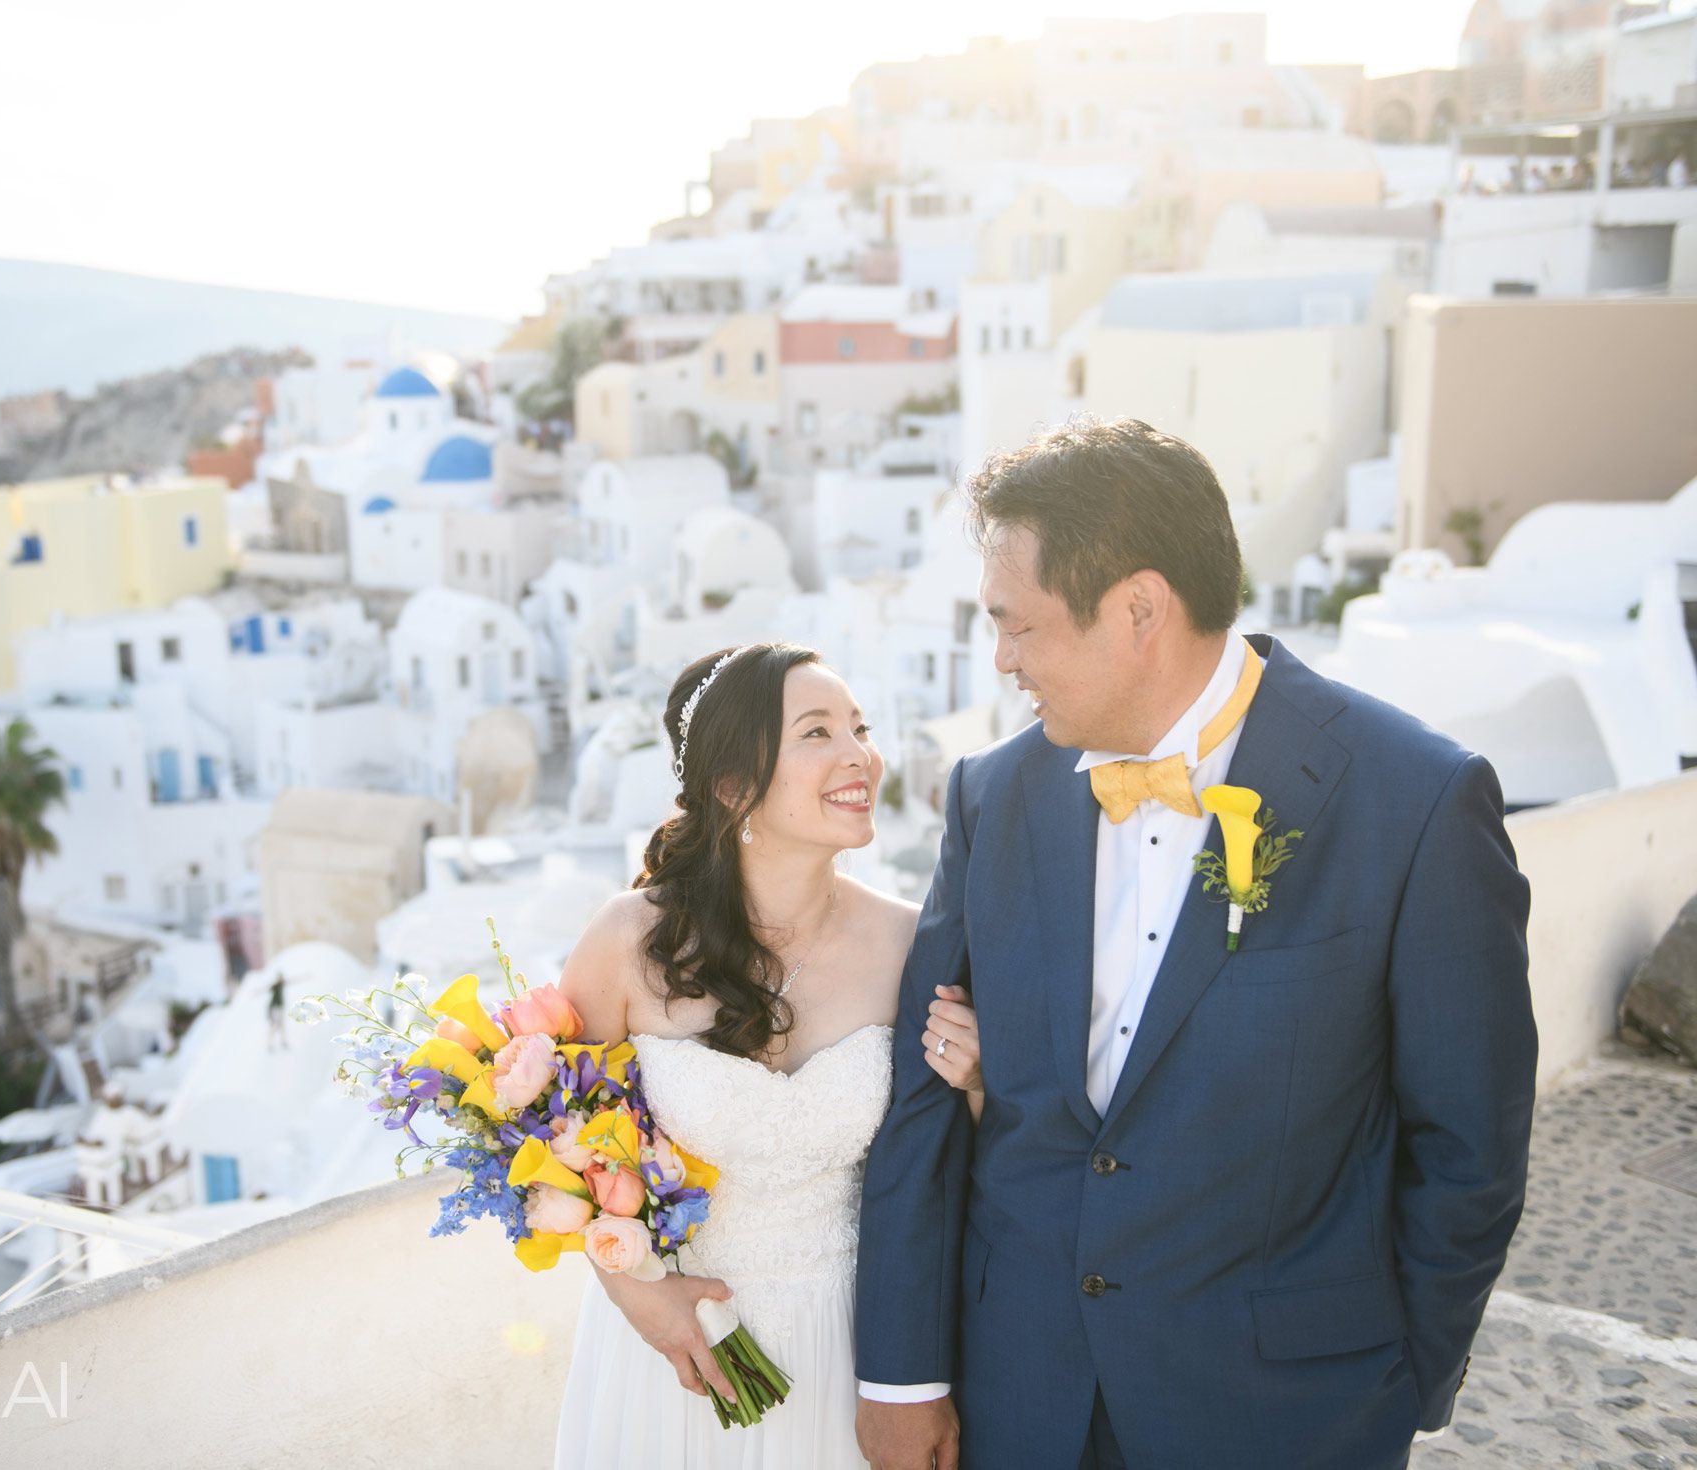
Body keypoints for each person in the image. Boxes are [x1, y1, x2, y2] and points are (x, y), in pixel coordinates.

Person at [854, 415, 1537, 1469]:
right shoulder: (991, 798)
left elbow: (1467, 1148)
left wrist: (1394, 1384)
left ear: (1136, 610)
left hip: (1282, 1416)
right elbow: (920, 1104)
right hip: (1020, 1398)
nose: (1000, 662)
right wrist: (901, 1376)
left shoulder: (1410, 801)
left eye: (1017, 625)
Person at [550, 642, 980, 1468]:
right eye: (817, 733)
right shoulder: (625, 940)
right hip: (677, 1351)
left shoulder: (912, 943)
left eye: (860, 727)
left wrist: (978, 1081)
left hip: (849, 1350)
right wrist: (642, 1299)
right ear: (732, 785)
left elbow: (957, 1156)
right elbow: (555, 1141)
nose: (860, 755)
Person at [266, 971, 289, 1051]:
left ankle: (283, 1041)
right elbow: (270, 988)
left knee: (282, 1025)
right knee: (275, 1026)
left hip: (280, 1008)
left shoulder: (281, 985)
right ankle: (270, 1044)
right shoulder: (275, 986)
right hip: (275, 1008)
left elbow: (284, 983)